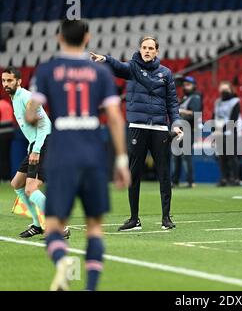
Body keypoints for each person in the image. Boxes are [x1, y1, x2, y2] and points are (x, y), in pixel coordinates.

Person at [26, 19, 130, 291]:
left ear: (59, 37)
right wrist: (121, 159)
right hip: (94, 154)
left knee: (53, 226)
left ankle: (63, 262)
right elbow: (116, 119)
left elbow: (30, 113)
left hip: (62, 154)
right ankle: (90, 288)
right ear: (88, 37)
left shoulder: (47, 70)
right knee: (95, 227)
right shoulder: (102, 73)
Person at [90, 36, 182, 231]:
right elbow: (118, 66)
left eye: (151, 48)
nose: (147, 51)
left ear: (157, 51)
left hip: (159, 128)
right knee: (134, 174)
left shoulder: (166, 73)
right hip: (137, 127)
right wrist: (105, 59)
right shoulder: (132, 68)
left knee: (164, 175)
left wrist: (175, 123)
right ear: (140, 49)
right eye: (144, 47)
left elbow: (172, 102)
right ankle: (134, 219)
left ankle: (166, 218)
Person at [1, 67, 52, 238]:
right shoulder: (14, 98)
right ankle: (38, 225)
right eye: (3, 80)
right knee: (16, 184)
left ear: (19, 81)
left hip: (44, 143)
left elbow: (44, 124)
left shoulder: (26, 97)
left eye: (9, 80)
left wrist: (36, 149)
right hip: (35, 144)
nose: (6, 84)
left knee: (30, 189)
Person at [172, 76, 202, 188]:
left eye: (188, 84)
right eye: (184, 85)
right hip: (180, 130)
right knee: (176, 156)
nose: (186, 87)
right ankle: (175, 181)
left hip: (189, 130)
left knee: (185, 156)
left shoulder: (196, 97)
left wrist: (182, 111)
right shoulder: (185, 98)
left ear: (194, 85)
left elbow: (196, 113)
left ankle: (190, 181)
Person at [213, 81, 242, 187]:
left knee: (232, 156)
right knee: (222, 157)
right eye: (222, 89)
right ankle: (224, 178)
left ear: (231, 90)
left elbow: (233, 119)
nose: (224, 92)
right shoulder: (217, 102)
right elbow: (214, 116)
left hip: (231, 131)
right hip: (219, 132)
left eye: (226, 89)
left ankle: (235, 178)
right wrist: (214, 130)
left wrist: (221, 129)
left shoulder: (235, 101)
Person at [0, 97, 14, 181]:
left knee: (1, 156)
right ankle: (7, 176)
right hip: (10, 133)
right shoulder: (7, 104)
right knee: (7, 156)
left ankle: (3, 177)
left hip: (1, 133)